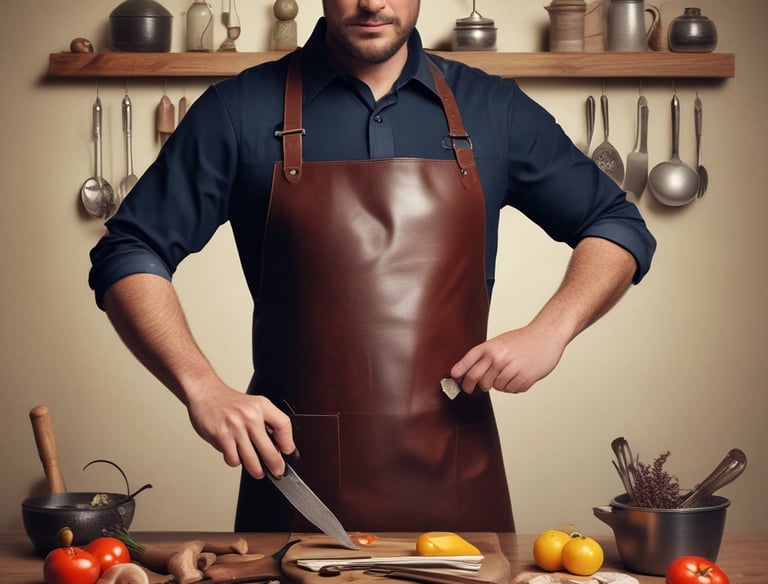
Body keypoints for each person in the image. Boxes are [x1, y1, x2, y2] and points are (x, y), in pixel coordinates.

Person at [89, 0, 655, 533]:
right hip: (297, 485)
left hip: (460, 487)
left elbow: (615, 224)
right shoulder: (237, 110)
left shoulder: (494, 109)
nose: (371, 2)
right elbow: (129, 248)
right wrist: (201, 386)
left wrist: (551, 330)